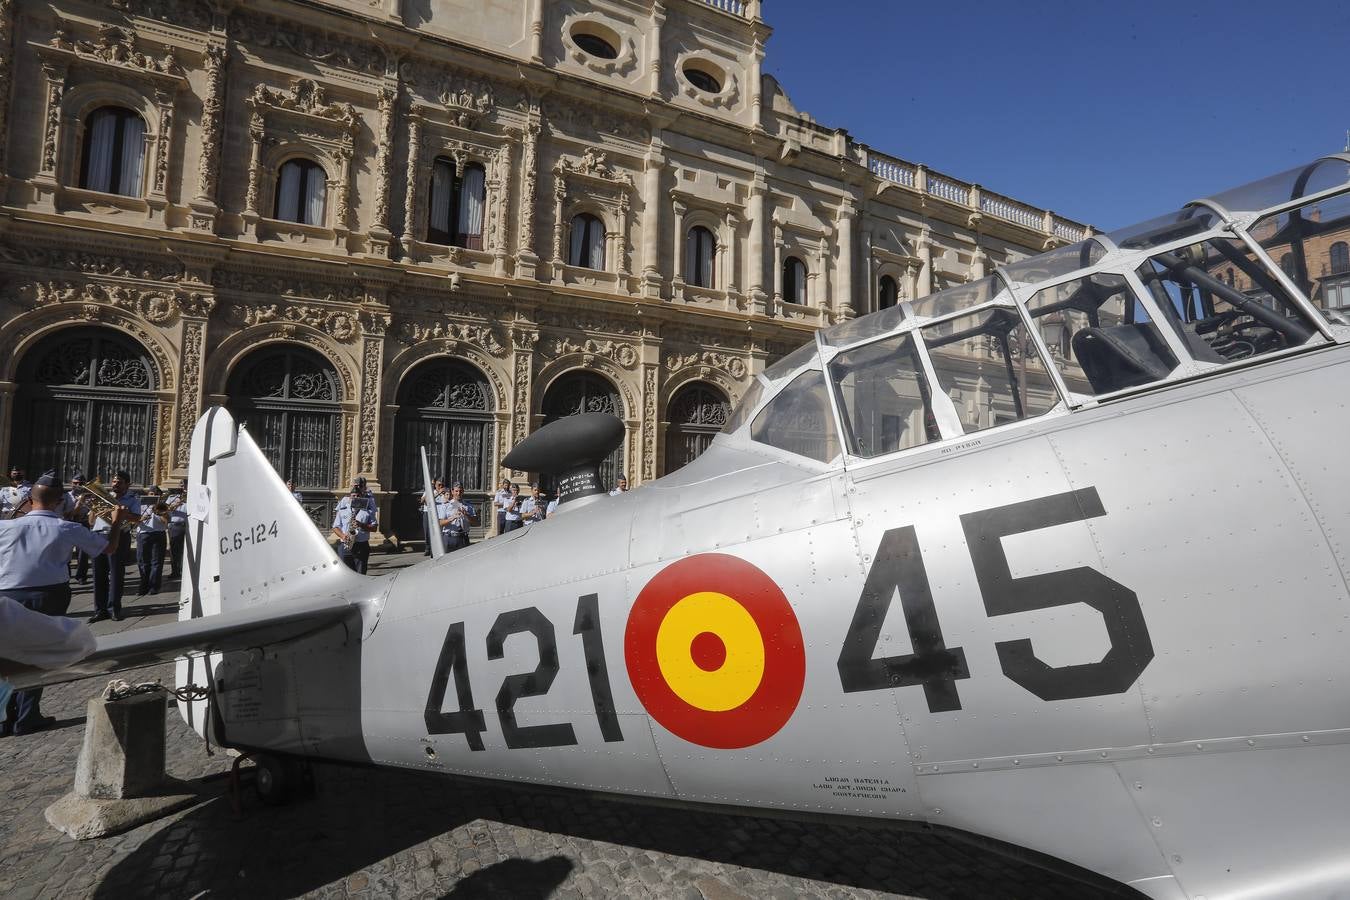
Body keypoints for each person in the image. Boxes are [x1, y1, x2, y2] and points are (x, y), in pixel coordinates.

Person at [0, 471, 128, 736]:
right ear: (60, 501)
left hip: (8, 593)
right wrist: (116, 522)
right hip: (50, 593)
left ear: (29, 499)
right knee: (39, 653)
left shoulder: (5, 527)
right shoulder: (66, 528)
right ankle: (27, 716)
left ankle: (3, 717)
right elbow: (109, 549)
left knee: (4, 654)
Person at [90, 470, 141, 623]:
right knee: (98, 574)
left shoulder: (132, 499)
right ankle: (100, 610)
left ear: (127, 485)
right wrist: (93, 507)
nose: (115, 485)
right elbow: (92, 521)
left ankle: (114, 609)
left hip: (119, 535)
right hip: (99, 535)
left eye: (119, 482)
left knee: (116, 573)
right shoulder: (103, 498)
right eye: (113, 482)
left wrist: (120, 514)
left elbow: (137, 518)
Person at [332, 483, 377, 574]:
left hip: (361, 546)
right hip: (345, 545)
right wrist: (343, 536)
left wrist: (362, 525)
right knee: (345, 573)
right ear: (349, 497)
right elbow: (335, 527)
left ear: (361, 497)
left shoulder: (368, 511)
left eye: (358, 495)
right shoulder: (342, 510)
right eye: (353, 495)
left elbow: (374, 528)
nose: (355, 497)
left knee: (360, 573)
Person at [136, 492, 169, 596]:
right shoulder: (139, 505)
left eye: (155, 494)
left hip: (159, 533)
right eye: (150, 494)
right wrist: (140, 519)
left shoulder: (162, 506)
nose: (152, 496)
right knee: (142, 562)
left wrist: (161, 513)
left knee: (157, 562)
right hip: (143, 533)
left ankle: (154, 587)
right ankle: (143, 586)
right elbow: (132, 521)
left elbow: (166, 522)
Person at [69, 473, 93, 584]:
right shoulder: (66, 496)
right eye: (75, 483)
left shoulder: (90, 497)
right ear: (71, 483)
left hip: (83, 524)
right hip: (69, 524)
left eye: (81, 483)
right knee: (66, 550)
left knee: (83, 553)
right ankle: (66, 574)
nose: (78, 485)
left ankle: (81, 576)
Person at [439, 482, 477, 552]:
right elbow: (440, 523)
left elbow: (475, 523)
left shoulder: (469, 506)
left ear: (463, 492)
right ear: (452, 492)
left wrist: (466, 515)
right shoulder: (446, 506)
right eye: (456, 491)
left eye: (460, 491)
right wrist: (452, 518)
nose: (458, 493)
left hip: (463, 538)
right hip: (449, 538)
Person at [167, 482, 189, 580]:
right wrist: (176, 504)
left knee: (188, 550)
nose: (183, 487)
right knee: (175, 551)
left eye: (185, 485)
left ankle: (187, 572)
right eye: (182, 485)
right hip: (176, 526)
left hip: (189, 525)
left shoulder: (192, 496)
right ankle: (175, 571)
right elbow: (164, 510)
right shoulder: (172, 497)